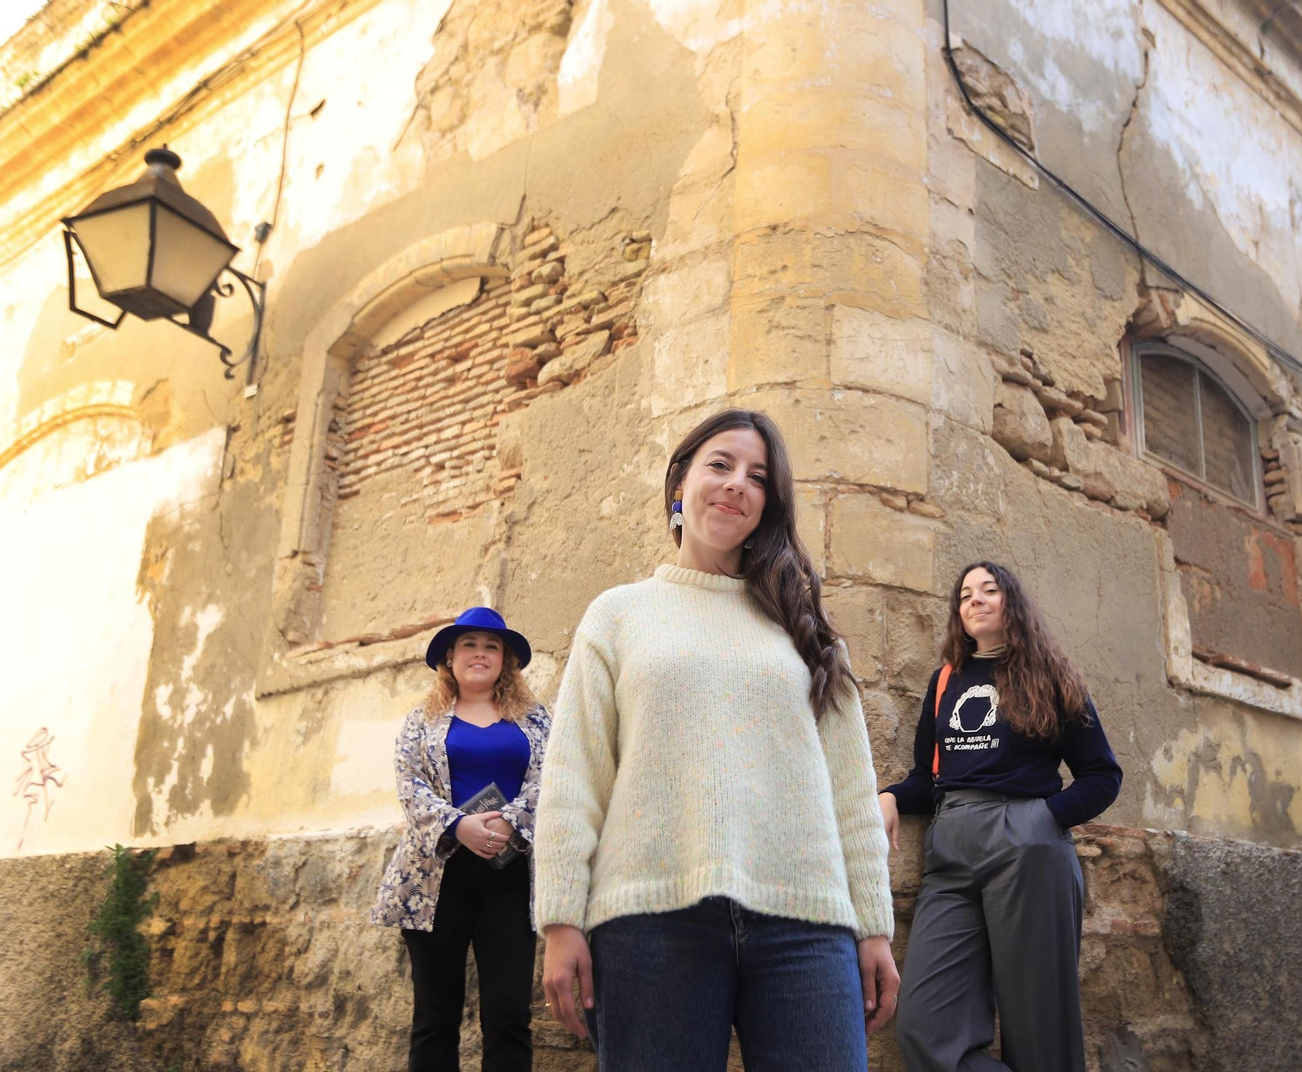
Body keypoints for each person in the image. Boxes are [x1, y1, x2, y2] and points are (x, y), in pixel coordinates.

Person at [533, 408, 898, 1072]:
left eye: (757, 477)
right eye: (720, 465)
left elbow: (850, 787)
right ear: (681, 483)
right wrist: (559, 920)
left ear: (768, 505)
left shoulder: (806, 629)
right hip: (650, 919)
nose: (736, 485)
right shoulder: (618, 615)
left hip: (805, 923)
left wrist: (873, 926)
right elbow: (574, 776)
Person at [881, 562, 1122, 1072]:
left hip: (1027, 848)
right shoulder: (945, 681)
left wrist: (1040, 821)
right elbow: (928, 777)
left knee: (1041, 1033)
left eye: (988, 589)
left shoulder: (1049, 675)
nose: (975, 599)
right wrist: (891, 797)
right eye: (965, 594)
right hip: (950, 850)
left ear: (1011, 601)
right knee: (924, 1030)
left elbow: (1102, 774)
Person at [371, 606, 551, 1072]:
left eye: (492, 646)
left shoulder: (535, 721)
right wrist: (458, 825)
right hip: (436, 882)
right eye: (469, 645)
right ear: (449, 658)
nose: (480, 654)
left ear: (505, 661)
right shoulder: (420, 722)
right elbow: (409, 784)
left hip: (509, 880)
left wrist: (511, 820)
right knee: (435, 1018)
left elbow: (554, 777)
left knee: (509, 1017)